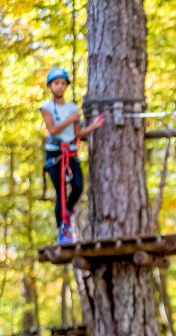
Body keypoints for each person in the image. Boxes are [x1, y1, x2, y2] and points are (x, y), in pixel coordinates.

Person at [40, 67, 105, 244]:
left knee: (77, 186)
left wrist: (94, 126)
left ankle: (67, 212)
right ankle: (62, 231)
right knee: (61, 193)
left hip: (70, 152)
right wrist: (70, 119)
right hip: (55, 154)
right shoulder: (46, 107)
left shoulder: (72, 107)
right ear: (50, 86)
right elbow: (52, 129)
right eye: (56, 83)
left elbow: (77, 132)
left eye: (62, 83)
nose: (60, 87)